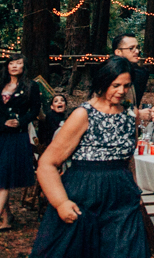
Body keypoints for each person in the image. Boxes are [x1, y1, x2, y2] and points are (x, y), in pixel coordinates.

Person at [29, 56, 146, 257]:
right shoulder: (83, 114)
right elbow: (47, 163)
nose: (121, 91)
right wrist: (60, 202)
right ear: (103, 82)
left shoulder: (130, 115)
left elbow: (128, 159)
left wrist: (134, 187)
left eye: (126, 86)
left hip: (122, 199)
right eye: (115, 85)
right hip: (85, 193)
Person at [0, 54, 41, 234]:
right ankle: (7, 216)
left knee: (4, 176)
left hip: (17, 136)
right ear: (7, 66)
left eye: (18, 63)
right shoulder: (0, 86)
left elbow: (35, 110)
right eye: (11, 63)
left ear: (24, 66)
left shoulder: (31, 86)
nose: (14, 66)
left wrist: (21, 121)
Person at [110, 33, 154, 122]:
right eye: (131, 48)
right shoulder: (109, 75)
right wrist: (138, 114)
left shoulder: (138, 73)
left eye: (137, 48)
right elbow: (106, 110)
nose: (136, 51)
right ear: (118, 52)